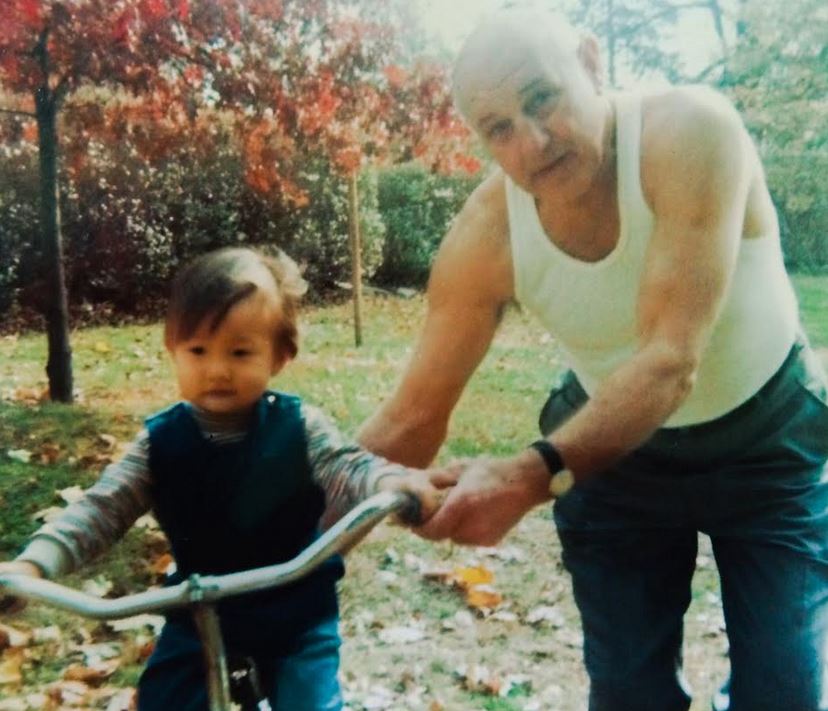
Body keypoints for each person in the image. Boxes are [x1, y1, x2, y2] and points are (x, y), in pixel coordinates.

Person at [357, 8, 828, 711]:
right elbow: (413, 417)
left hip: (770, 446)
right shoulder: (487, 235)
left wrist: (526, 475)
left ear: (589, 60)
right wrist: (278, 541)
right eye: (499, 129)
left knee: (784, 694)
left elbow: (670, 360)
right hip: (614, 462)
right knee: (629, 694)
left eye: (541, 97)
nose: (533, 141)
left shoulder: (691, 133)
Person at [0, 247, 443, 711]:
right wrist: (35, 565)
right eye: (197, 350)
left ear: (280, 356)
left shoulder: (301, 428)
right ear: (172, 349)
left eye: (240, 351)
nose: (216, 369)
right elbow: (101, 508)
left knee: (311, 703)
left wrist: (390, 484)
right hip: (199, 614)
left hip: (296, 613)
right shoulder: (160, 444)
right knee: (162, 701)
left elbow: (350, 465)